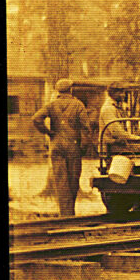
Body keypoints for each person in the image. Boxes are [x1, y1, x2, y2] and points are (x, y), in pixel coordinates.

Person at [32, 79, 90, 216]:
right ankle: (69, 213)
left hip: (56, 145)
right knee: (73, 179)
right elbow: (85, 128)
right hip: (73, 146)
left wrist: (48, 132)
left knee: (60, 180)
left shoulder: (52, 105)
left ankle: (66, 214)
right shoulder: (78, 105)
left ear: (58, 91)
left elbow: (36, 118)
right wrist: (84, 146)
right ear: (70, 89)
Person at [98, 81, 140, 151]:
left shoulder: (118, 106)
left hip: (117, 145)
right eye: (120, 93)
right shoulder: (108, 108)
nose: (123, 95)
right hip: (109, 148)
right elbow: (117, 132)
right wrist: (138, 139)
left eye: (123, 92)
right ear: (112, 93)